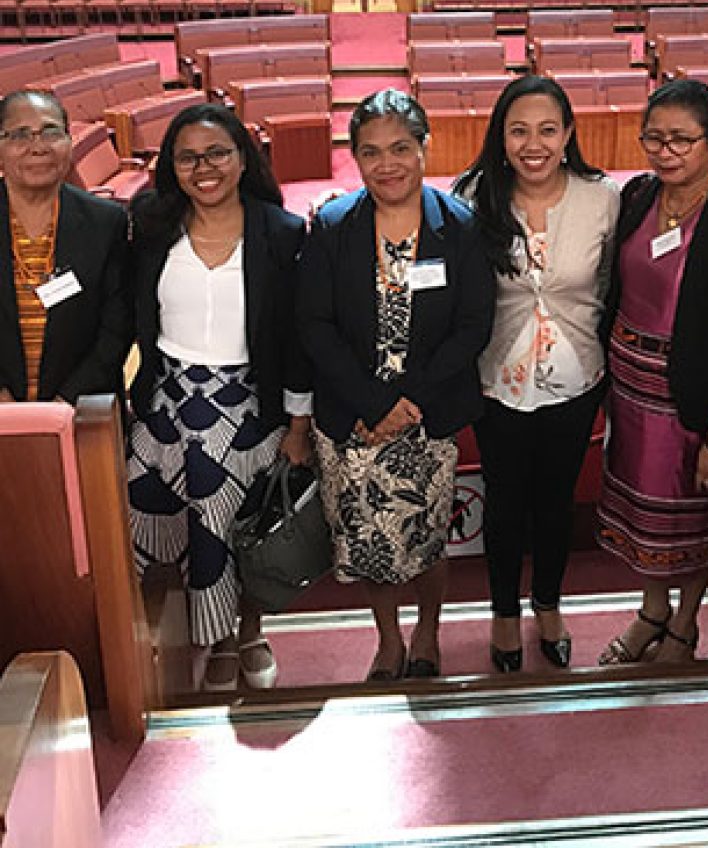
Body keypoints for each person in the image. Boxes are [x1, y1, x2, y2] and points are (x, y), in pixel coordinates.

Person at [298, 89, 494, 681]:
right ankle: (388, 640)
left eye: (401, 148)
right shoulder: (333, 225)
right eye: (371, 152)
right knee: (367, 542)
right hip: (354, 420)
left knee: (428, 538)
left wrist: (407, 404)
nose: (388, 164)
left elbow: (472, 325)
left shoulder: (458, 226)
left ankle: (428, 631)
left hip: (427, 416)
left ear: (424, 148)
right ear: (354, 157)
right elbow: (314, 323)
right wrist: (374, 403)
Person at [127, 102, 311, 693]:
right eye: (187, 157)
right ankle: (203, 634)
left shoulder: (280, 232)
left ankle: (247, 631)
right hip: (167, 404)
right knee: (166, 520)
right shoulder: (151, 223)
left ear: (241, 159)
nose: (203, 167)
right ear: (171, 166)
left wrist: (299, 424)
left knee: (240, 527)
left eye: (217, 153)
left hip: (248, 405)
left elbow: (294, 335)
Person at [595, 80, 708, 665]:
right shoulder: (640, 195)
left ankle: (685, 626)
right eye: (654, 138)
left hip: (689, 401)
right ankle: (652, 611)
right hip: (630, 389)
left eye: (682, 141)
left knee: (689, 518)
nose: (666, 152)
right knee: (643, 517)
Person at [453, 75, 620, 672]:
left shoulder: (602, 197)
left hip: (576, 377)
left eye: (548, 130)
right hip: (497, 378)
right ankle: (502, 611)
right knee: (503, 501)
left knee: (555, 501)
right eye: (518, 130)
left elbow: (607, 288)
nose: (534, 143)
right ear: (500, 138)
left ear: (569, 135)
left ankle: (547, 603)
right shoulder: (473, 196)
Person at [0, 90, 131, 405]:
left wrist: (68, 399)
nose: (38, 148)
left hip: (82, 407)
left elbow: (118, 322)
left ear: (70, 141)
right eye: (20, 135)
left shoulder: (105, 220)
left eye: (51, 132)